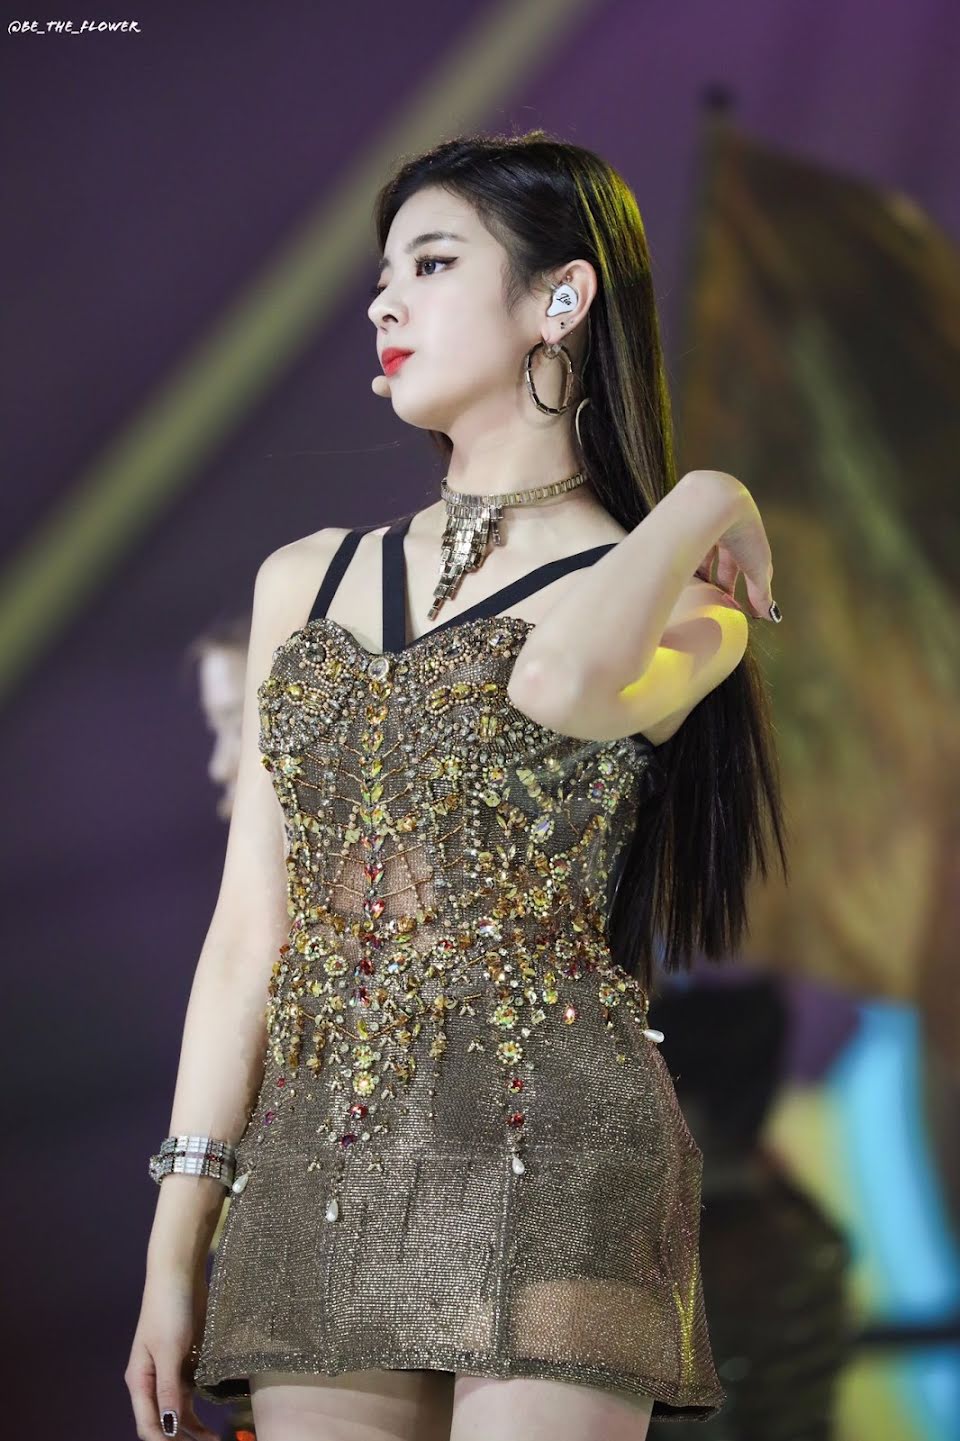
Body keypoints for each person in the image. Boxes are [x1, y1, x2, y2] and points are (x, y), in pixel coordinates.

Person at [125, 130, 786, 1441]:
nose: (385, 305)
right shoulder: (303, 579)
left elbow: (561, 682)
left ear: (561, 298)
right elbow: (248, 934)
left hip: (560, 1149)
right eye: (381, 278)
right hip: (321, 1158)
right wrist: (174, 1239)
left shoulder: (688, 605)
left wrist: (706, 494)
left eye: (430, 265)